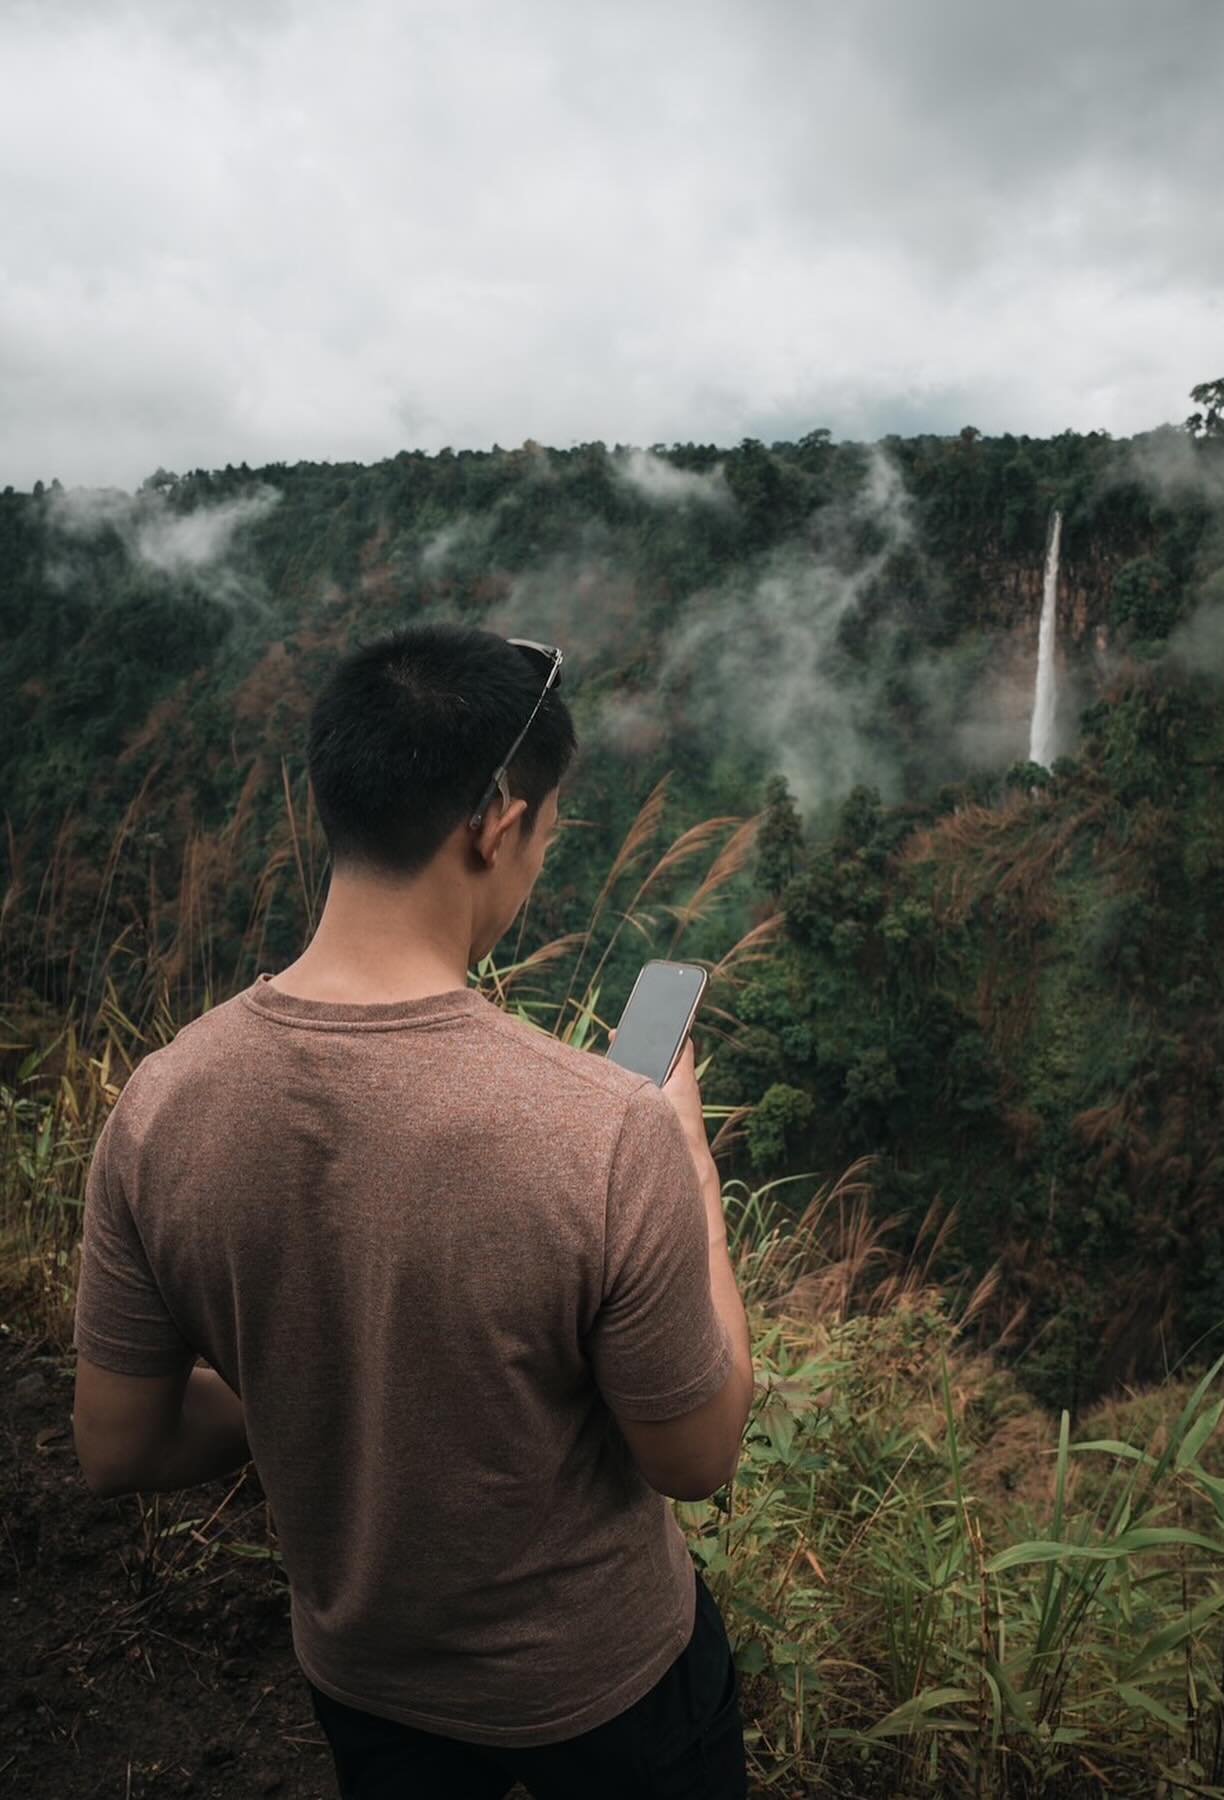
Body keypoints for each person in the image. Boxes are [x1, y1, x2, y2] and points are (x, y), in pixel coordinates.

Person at [70, 622, 756, 1798]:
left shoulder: (160, 1106)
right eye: (545, 831)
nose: (539, 860)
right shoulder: (605, 1130)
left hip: (367, 1692)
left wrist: (311, 1373)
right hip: (609, 1696)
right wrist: (688, 1158)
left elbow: (116, 1442)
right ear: (494, 825)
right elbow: (695, 1455)